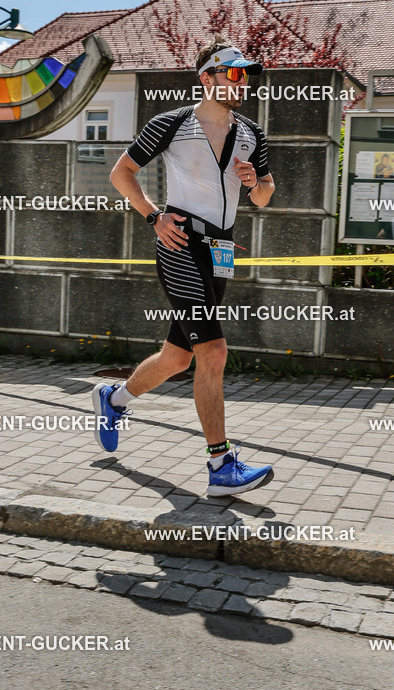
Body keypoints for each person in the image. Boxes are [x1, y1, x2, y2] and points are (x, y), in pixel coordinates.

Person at [92, 37, 276, 496]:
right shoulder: (171, 124)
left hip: (222, 250)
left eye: (244, 74)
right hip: (180, 244)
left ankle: (113, 399)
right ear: (207, 78)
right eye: (232, 73)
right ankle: (221, 465)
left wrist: (256, 182)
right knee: (212, 352)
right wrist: (154, 217)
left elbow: (266, 194)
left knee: (178, 357)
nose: (241, 82)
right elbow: (121, 173)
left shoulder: (253, 135)